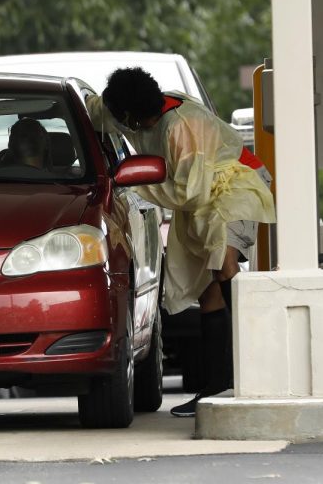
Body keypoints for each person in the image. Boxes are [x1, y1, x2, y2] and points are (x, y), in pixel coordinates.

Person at [86, 66, 276, 417]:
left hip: (233, 187)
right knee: (205, 289)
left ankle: (265, 368)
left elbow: (190, 189)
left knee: (224, 265)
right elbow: (94, 111)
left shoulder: (182, 125)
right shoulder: (136, 113)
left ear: (130, 114)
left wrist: (134, 187)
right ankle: (218, 387)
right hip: (198, 197)